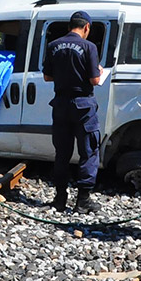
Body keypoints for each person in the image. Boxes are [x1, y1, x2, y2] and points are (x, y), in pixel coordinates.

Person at [42, 11, 104, 214]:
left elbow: (47, 77)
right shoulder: (89, 47)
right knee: (88, 152)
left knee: (62, 153)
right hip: (83, 106)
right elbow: (95, 80)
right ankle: (83, 201)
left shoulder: (53, 46)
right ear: (86, 27)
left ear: (70, 26)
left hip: (60, 105)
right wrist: (100, 71)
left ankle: (60, 199)